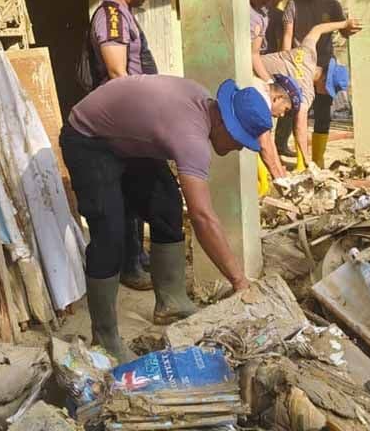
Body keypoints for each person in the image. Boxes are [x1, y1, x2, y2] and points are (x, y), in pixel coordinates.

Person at [60, 75, 277, 362]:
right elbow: (202, 217)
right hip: (88, 138)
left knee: (167, 207)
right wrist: (239, 281)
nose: (239, 148)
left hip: (127, 138)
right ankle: (105, 338)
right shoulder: (190, 137)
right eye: (240, 140)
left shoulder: (202, 105)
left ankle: (171, 302)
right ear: (226, 123)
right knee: (110, 235)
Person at [86, 0, 162, 292]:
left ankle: (136, 256)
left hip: (131, 111)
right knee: (130, 190)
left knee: (137, 187)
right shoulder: (111, 17)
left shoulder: (124, 15)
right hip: (122, 115)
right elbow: (118, 71)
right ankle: (130, 264)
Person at [281, 0, 356, 166]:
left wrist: (351, 28)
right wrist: (287, 63)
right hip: (299, 65)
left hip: (324, 66)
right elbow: (288, 35)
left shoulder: (332, 6)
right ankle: (300, 161)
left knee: (323, 112)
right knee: (299, 111)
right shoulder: (293, 4)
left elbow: (343, 31)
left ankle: (318, 158)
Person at [261, 18, 362, 169]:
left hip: (244, 64)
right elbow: (300, 125)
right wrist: (307, 159)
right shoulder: (307, 91)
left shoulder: (307, 53)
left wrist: (344, 24)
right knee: (260, 135)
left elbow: (317, 29)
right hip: (250, 85)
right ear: (324, 81)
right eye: (327, 91)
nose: (324, 94)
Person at [248, 0, 286, 81]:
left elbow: (254, 54)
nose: (268, 1)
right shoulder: (237, 7)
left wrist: (269, 81)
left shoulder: (263, 17)